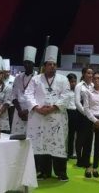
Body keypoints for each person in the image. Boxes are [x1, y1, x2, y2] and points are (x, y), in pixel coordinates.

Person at [25, 45, 72, 181]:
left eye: (54, 64)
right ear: (44, 66)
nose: (52, 66)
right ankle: (42, 171)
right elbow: (28, 94)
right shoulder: (36, 79)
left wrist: (53, 108)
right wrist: (36, 108)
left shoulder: (63, 80)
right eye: (49, 64)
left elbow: (67, 95)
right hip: (38, 117)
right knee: (40, 143)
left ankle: (61, 172)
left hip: (56, 117)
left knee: (57, 144)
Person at [11, 46, 38, 135]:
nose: (26, 65)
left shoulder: (38, 78)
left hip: (32, 111)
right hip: (18, 111)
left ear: (33, 64)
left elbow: (38, 98)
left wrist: (27, 111)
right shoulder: (18, 77)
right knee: (16, 136)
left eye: (29, 63)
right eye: (25, 63)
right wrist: (19, 111)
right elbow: (13, 96)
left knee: (30, 137)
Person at [74, 67, 94, 167]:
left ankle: (86, 160)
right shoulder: (79, 86)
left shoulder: (93, 86)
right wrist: (86, 113)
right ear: (83, 74)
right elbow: (77, 102)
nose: (91, 75)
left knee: (89, 139)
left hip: (91, 116)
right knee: (80, 139)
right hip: (82, 115)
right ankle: (79, 160)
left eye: (91, 73)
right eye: (88, 73)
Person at [66, 73, 78, 159]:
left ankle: (74, 152)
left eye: (74, 81)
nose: (73, 83)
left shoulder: (78, 91)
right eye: (71, 81)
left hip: (76, 113)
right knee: (68, 134)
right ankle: (67, 152)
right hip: (68, 112)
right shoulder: (65, 91)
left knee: (75, 135)